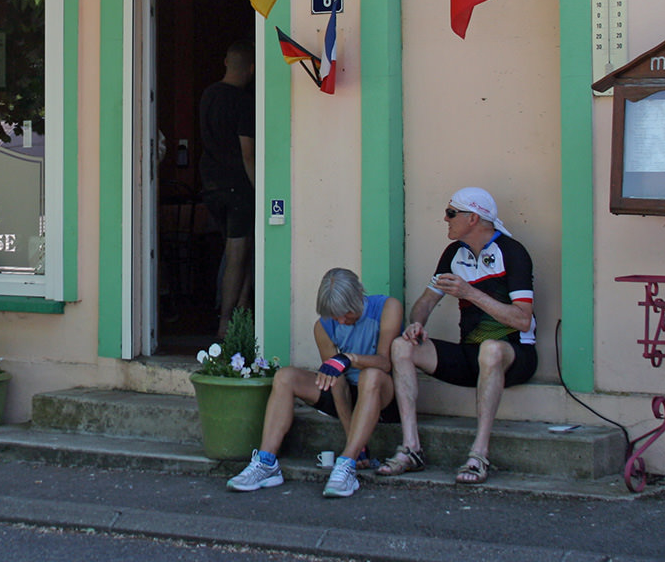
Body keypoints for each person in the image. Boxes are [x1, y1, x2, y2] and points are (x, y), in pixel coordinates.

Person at [377, 187, 537, 485]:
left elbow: (522, 320)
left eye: (451, 213)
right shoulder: (454, 253)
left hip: (515, 355)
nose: (445, 219)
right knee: (402, 346)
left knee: (490, 348)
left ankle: (479, 454)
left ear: (473, 218)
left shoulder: (512, 253)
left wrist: (470, 293)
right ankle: (411, 448)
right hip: (470, 356)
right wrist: (417, 324)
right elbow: (425, 302)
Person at [226, 268, 403, 499]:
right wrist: (354, 437)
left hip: (381, 391)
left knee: (370, 376)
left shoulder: (388, 308)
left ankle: (346, 464)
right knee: (285, 377)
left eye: (346, 313)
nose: (341, 320)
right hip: (346, 392)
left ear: (359, 294)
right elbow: (335, 381)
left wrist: (350, 359)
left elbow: (384, 363)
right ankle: (266, 463)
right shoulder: (324, 326)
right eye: (335, 315)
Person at [199, 39, 255, 338]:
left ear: (225, 62)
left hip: (210, 184)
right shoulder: (243, 101)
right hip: (237, 187)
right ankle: (224, 325)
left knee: (242, 251)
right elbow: (248, 152)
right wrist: (258, 188)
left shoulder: (208, 95)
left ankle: (243, 316)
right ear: (252, 68)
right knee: (237, 254)